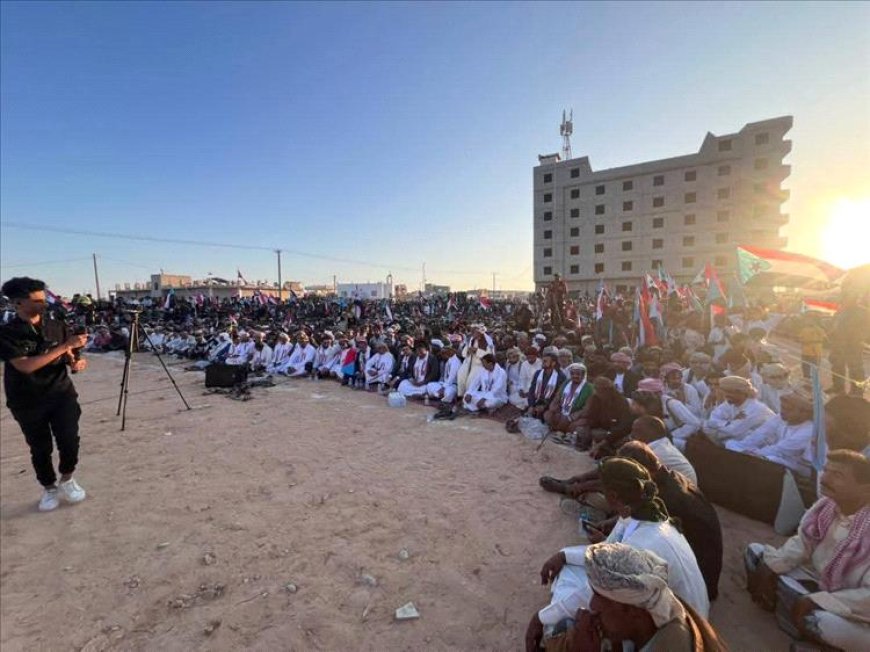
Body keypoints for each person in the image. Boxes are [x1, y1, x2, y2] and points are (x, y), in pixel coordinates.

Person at [527, 457, 710, 649]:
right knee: (570, 568)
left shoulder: (640, 544)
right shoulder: (646, 517)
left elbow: (597, 589)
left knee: (573, 619)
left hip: (669, 629)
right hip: (673, 618)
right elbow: (607, 550)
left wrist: (541, 617)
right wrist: (564, 555)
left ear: (613, 496)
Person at [745, 450, 869, 650]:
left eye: (837, 475)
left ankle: (798, 617)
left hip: (855, 612)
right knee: (755, 554)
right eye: (826, 470)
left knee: (820, 622)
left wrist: (820, 601)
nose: (825, 479)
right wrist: (773, 567)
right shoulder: (825, 506)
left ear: (866, 489)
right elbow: (801, 543)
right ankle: (793, 613)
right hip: (814, 582)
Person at [527, 543, 729, 652]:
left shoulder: (672, 645)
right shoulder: (659, 603)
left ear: (632, 611)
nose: (590, 607)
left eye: (599, 602)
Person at [0, 277, 89, 512]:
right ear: (19, 303)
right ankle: (49, 487)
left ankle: (67, 478)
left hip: (61, 394)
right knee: (40, 447)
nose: (44, 303)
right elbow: (25, 366)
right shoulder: (7, 333)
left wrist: (75, 362)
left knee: (69, 440)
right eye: (37, 300)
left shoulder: (55, 325)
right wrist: (64, 346)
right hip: (26, 400)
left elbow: (70, 355)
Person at [617, 441, 723, 602]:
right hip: (702, 571)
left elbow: (640, 537)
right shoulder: (672, 477)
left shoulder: (665, 500)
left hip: (696, 586)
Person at [725, 386, 814, 476]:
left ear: (804, 413)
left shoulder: (809, 430)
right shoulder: (780, 417)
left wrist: (752, 454)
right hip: (771, 455)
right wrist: (745, 449)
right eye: (782, 407)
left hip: (797, 465)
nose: (782, 411)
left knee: (771, 459)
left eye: (788, 409)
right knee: (730, 443)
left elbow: (780, 449)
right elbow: (758, 435)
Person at [702, 376, 775, 447]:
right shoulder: (729, 403)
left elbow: (733, 431)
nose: (726, 395)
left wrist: (716, 428)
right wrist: (729, 422)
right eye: (725, 391)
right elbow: (711, 420)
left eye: (730, 392)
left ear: (743, 392)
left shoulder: (756, 408)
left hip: (765, 447)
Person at [827, 294, 868, 396]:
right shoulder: (841, 311)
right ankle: (838, 387)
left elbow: (866, 328)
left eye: (845, 299)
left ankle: (857, 391)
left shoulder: (863, 312)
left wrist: (858, 338)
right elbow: (834, 324)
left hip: (852, 344)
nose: (843, 301)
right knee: (837, 365)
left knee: (855, 368)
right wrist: (831, 332)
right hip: (838, 343)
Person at [544, 363, 594, 436]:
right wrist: (554, 407)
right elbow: (557, 397)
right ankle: (559, 431)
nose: (575, 376)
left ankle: (564, 433)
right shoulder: (566, 382)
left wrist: (573, 416)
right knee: (548, 415)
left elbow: (587, 408)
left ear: (583, 375)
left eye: (578, 374)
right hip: (562, 411)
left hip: (577, 415)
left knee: (573, 423)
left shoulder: (589, 388)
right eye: (572, 374)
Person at [526, 348, 566, 421]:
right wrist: (531, 405)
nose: (542, 363)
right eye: (542, 361)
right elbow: (531, 390)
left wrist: (544, 407)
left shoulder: (561, 376)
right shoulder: (538, 373)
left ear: (553, 363)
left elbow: (557, 396)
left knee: (546, 416)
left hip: (550, 404)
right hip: (537, 402)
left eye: (545, 361)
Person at [798, 312, 826, 380]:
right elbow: (800, 338)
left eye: (810, 319)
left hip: (815, 352)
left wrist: (815, 326)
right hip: (805, 351)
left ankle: (814, 381)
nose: (807, 321)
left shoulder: (819, 329)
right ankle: (806, 380)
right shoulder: (804, 329)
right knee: (805, 368)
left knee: (815, 369)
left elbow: (823, 336)